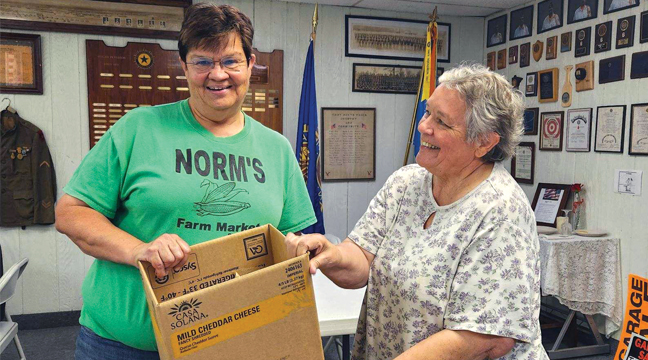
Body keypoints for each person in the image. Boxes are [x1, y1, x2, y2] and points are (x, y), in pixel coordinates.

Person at [55, 4, 316, 359]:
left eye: (230, 61)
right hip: (123, 346)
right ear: (184, 66)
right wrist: (139, 251)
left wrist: (305, 252)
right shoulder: (138, 128)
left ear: (251, 64)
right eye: (203, 61)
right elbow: (71, 213)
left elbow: (287, 242)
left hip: (233, 343)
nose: (218, 74)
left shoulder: (277, 149)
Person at [286, 64, 549, 360]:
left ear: (483, 142)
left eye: (442, 122)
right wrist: (332, 255)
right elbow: (362, 258)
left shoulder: (501, 210)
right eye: (427, 113)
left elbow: (486, 337)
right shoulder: (406, 183)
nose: (424, 127)